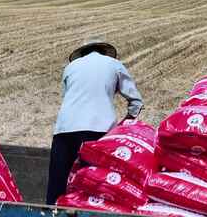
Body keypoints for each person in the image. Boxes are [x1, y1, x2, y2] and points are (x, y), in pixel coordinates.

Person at [46, 38, 144, 205]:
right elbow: (136, 101)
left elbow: (67, 96)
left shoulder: (70, 67)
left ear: (82, 54)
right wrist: (126, 122)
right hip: (98, 130)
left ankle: (51, 211)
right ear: (103, 51)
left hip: (64, 129)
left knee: (58, 182)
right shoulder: (114, 64)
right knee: (91, 183)